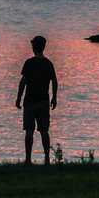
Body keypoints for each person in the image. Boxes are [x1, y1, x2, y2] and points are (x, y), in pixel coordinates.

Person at [15, 35, 58, 165]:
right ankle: (47, 159)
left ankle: (28, 160)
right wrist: (54, 97)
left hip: (30, 101)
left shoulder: (29, 63)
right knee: (44, 130)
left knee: (29, 130)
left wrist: (18, 98)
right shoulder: (48, 63)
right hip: (44, 101)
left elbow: (23, 81)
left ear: (33, 47)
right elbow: (54, 81)